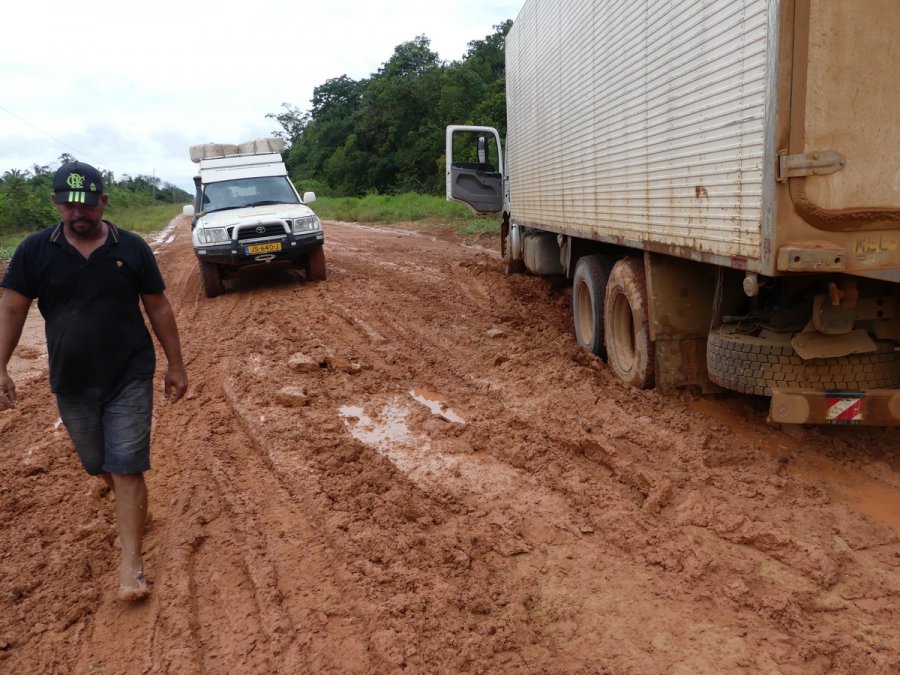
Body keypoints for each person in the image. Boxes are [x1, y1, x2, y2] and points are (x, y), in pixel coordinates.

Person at [0, 161, 188, 602]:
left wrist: (175, 364)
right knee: (97, 463)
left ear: (103, 201)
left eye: (86, 203)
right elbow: (12, 308)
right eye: (68, 204)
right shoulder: (33, 251)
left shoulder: (132, 248)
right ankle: (133, 508)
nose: (77, 212)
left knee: (127, 465)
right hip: (72, 379)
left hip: (129, 372)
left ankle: (131, 564)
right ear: (55, 202)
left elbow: (158, 306)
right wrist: (1, 365)